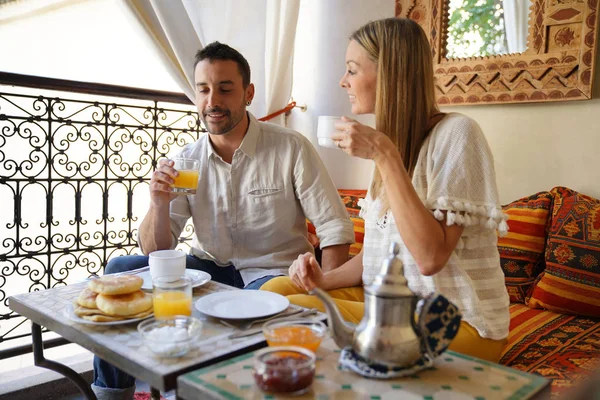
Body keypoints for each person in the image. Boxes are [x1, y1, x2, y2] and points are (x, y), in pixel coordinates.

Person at [91, 41, 355, 399]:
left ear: (248, 93)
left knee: (246, 306)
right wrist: (159, 204)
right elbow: (159, 249)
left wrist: (328, 297)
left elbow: (334, 227)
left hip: (271, 274)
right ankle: (111, 393)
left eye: (225, 89)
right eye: (203, 89)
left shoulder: (290, 148)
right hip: (208, 268)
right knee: (123, 267)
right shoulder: (188, 160)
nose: (212, 100)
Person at [261, 18, 511, 363]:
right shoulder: (392, 147)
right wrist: (325, 279)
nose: (342, 81)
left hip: (453, 323)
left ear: (391, 74)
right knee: (275, 290)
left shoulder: (458, 134)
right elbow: (379, 254)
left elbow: (429, 258)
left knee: (290, 309)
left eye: (352, 70)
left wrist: (384, 154)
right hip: (390, 305)